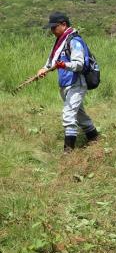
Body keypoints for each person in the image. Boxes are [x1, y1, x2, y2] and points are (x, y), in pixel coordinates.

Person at [37, 12, 98, 152]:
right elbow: (51, 62)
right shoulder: (60, 42)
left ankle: (68, 152)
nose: (52, 31)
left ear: (64, 25)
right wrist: (43, 69)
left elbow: (79, 64)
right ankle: (94, 138)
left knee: (68, 115)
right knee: (80, 115)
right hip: (65, 84)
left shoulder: (74, 41)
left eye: (54, 27)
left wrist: (64, 65)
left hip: (77, 83)